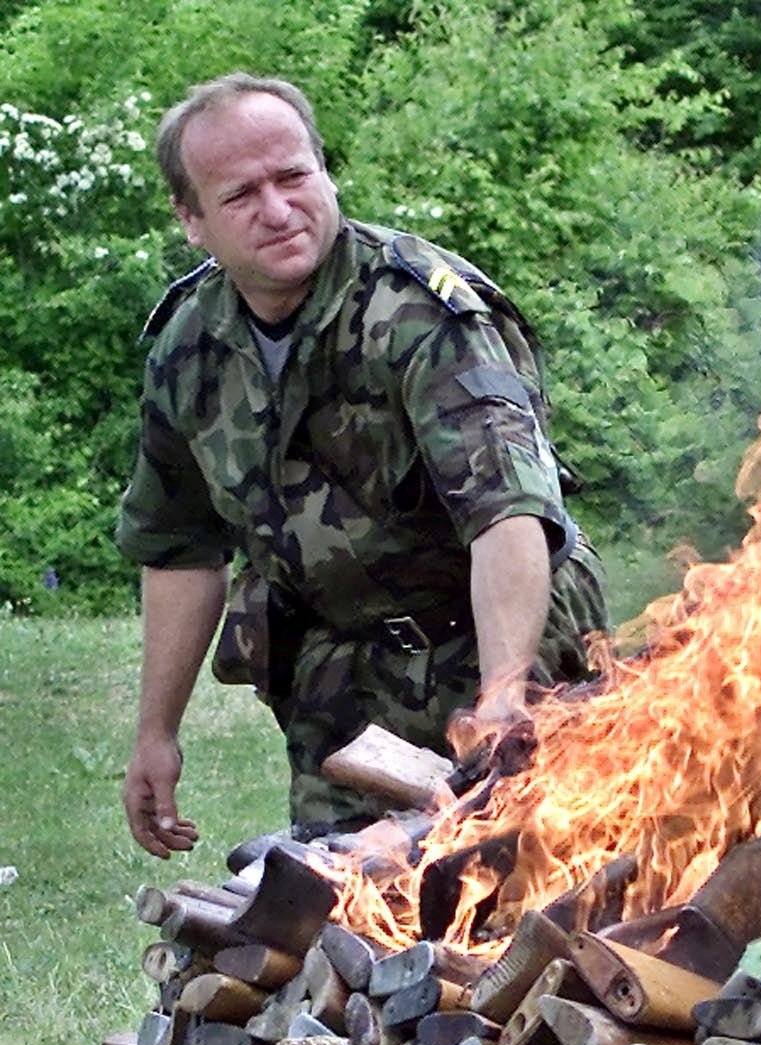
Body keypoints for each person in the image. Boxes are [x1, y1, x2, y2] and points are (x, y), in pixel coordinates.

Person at [115, 74, 607, 855]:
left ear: (323, 169)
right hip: (339, 678)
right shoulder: (190, 347)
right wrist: (156, 733)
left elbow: (507, 512)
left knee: (525, 887)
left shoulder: (420, 311)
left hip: (492, 639)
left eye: (294, 176)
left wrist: (506, 691)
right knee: (349, 910)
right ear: (191, 219)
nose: (278, 211)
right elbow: (179, 546)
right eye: (241, 195)